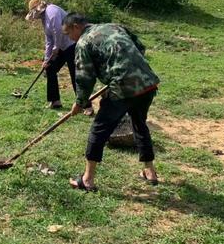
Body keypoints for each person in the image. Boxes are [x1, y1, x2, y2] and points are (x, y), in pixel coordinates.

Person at [62, 13, 160, 192]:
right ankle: (150, 171)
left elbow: (84, 77)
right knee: (139, 124)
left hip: (123, 88)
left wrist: (80, 102)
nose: (70, 38)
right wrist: (118, 74)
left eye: (68, 34)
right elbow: (139, 48)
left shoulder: (84, 42)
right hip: (147, 83)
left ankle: (87, 180)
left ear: (76, 26)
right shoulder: (114, 26)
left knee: (99, 129)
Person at [25, 0, 93, 114]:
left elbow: (58, 31)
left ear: (38, 9)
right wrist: (46, 59)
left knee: (75, 74)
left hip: (72, 45)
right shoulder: (44, 18)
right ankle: (54, 100)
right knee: (50, 68)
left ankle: (86, 106)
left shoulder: (52, 11)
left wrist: (56, 48)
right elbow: (49, 39)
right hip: (61, 47)